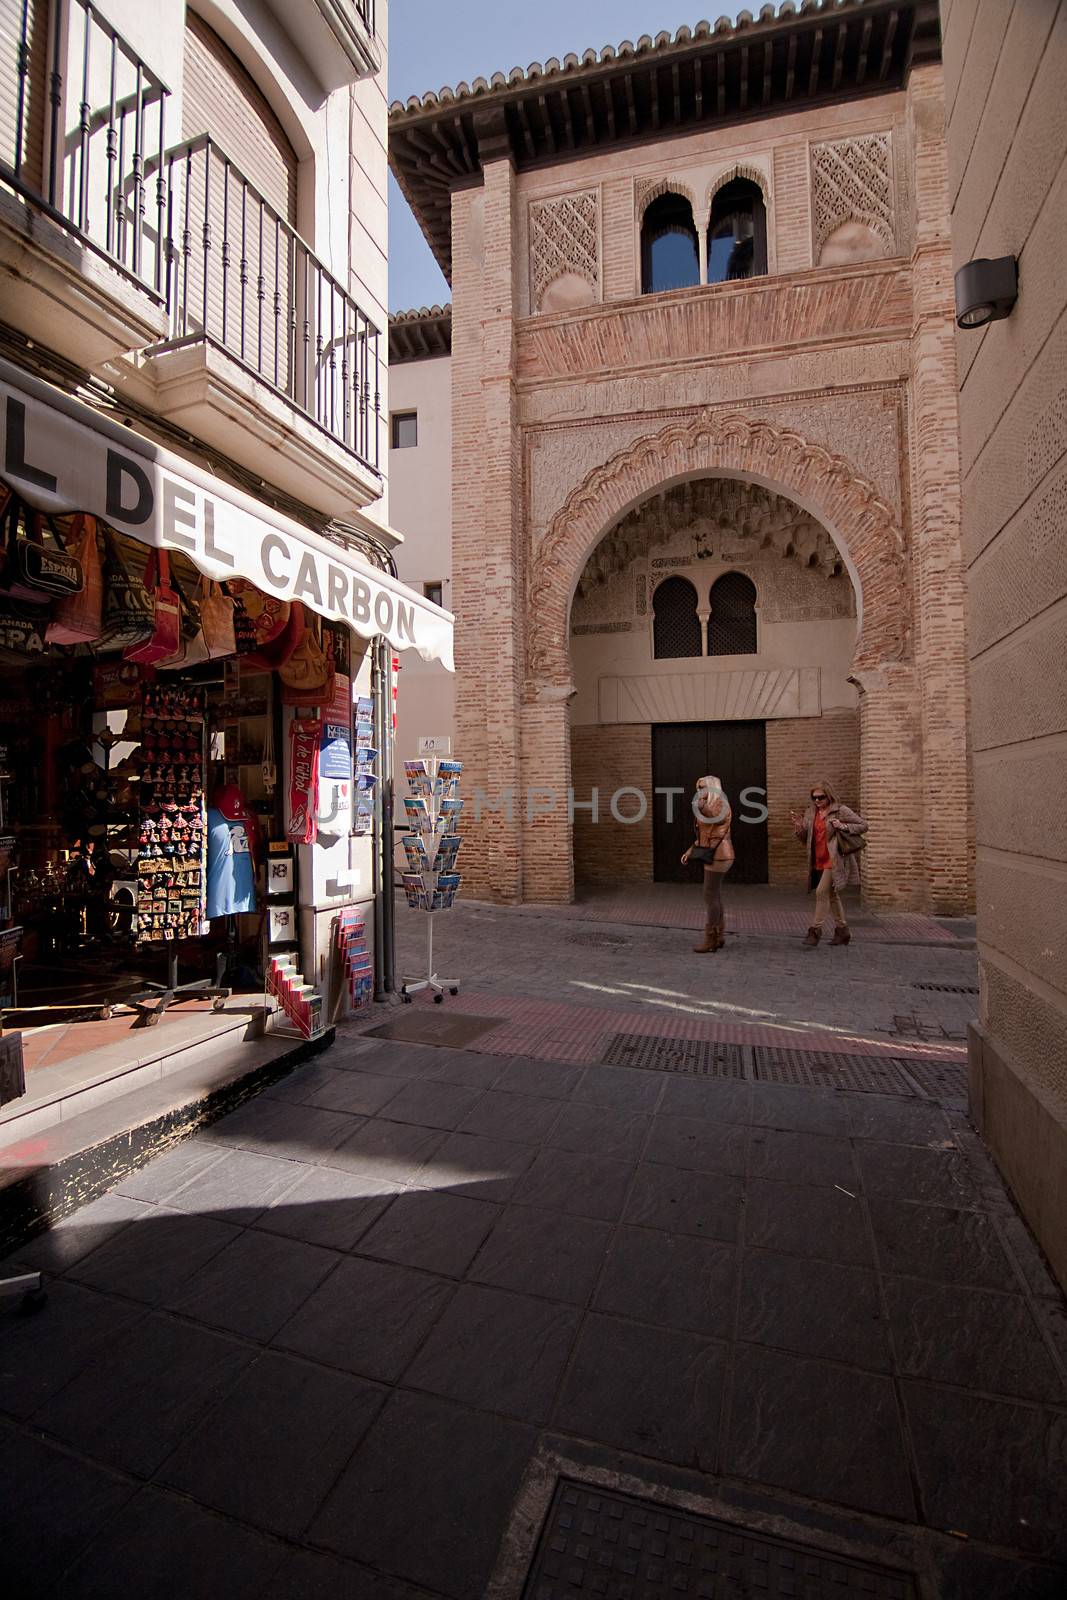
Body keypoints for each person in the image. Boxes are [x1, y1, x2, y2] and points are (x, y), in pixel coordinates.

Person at [789, 781, 867, 946]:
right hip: (818, 858)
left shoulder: (840, 810)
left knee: (821, 892)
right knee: (832, 895)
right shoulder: (811, 813)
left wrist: (843, 826)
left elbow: (863, 825)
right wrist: (799, 828)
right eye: (814, 797)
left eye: (821, 797)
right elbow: (806, 839)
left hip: (834, 859)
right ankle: (842, 931)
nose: (817, 801)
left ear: (829, 796)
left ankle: (815, 931)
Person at [681, 775, 735, 953]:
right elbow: (703, 834)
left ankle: (710, 939)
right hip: (712, 853)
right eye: (698, 788)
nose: (700, 791)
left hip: (719, 854)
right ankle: (718, 936)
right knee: (715, 895)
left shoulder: (720, 803)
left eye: (703, 787)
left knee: (709, 894)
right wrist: (690, 850)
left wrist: (702, 806)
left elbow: (716, 819)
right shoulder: (707, 807)